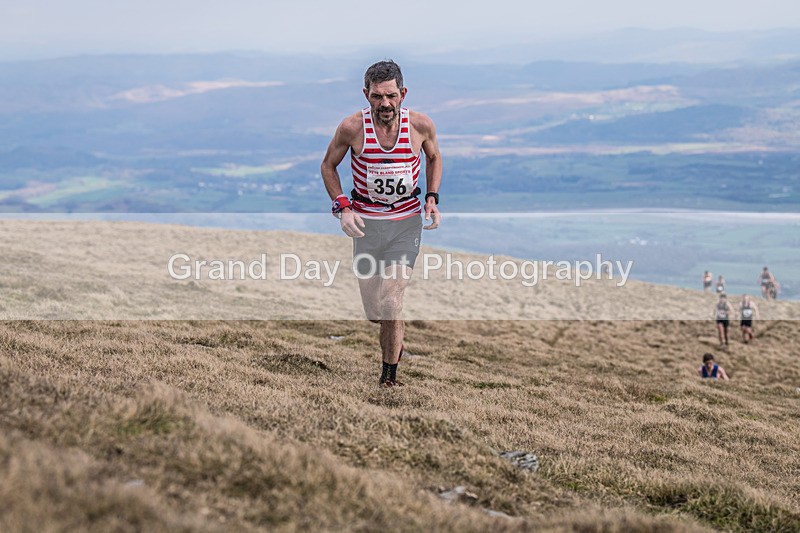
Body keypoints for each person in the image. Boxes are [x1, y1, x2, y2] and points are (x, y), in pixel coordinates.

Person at [320, 60, 442, 387]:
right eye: (377, 97)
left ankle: (388, 379)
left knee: (391, 299)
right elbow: (328, 166)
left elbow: (434, 157)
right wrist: (343, 207)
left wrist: (431, 197)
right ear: (366, 94)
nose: (384, 104)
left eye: (390, 96)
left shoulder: (420, 126)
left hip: (405, 225)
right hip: (367, 228)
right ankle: (392, 330)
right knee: (375, 311)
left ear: (402, 94)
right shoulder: (351, 128)